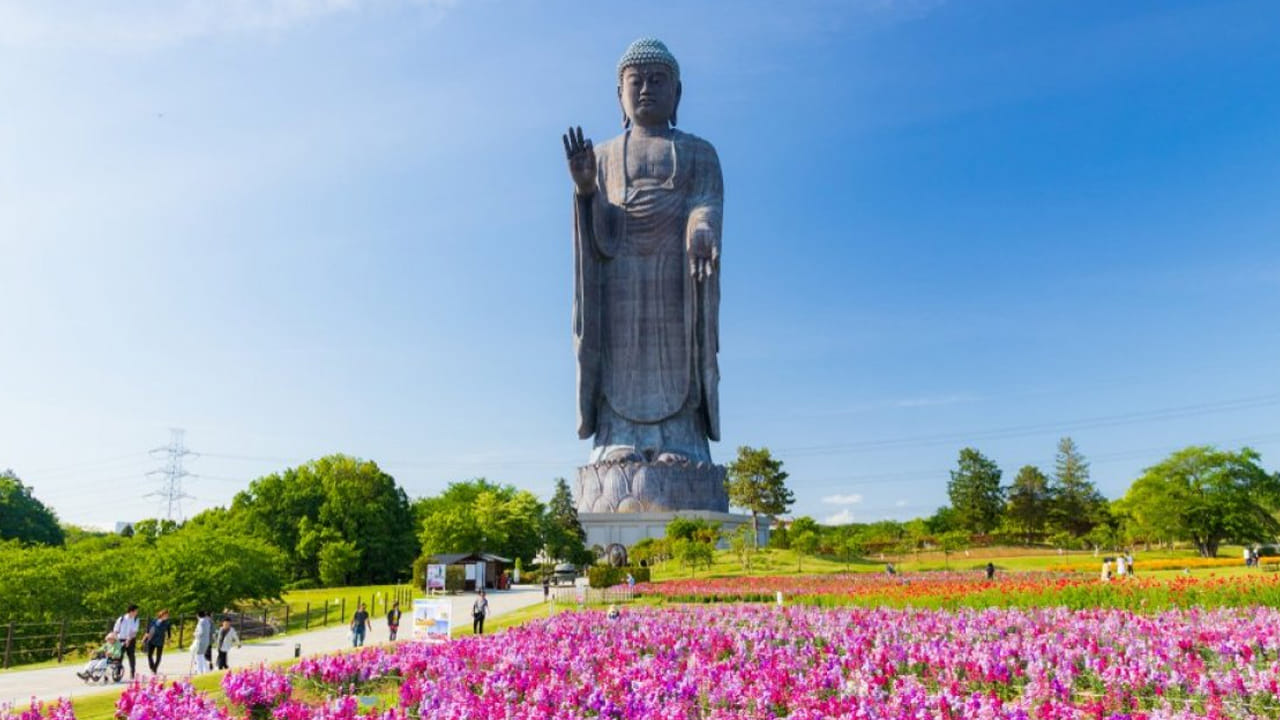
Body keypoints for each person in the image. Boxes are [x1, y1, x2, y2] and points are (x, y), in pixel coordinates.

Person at [564, 38, 724, 468]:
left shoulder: (699, 153)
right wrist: (586, 189)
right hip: (619, 276)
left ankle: (683, 440)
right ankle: (617, 436)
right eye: (637, 81)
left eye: (658, 80)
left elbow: (706, 201)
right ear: (621, 94)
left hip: (676, 275)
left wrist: (701, 226)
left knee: (681, 351)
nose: (647, 89)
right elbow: (599, 233)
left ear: (677, 93)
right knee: (616, 355)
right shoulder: (602, 156)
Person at [113, 604, 140, 681]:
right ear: (131, 611)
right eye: (136, 611)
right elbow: (116, 629)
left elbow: (134, 632)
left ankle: (132, 673)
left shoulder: (136, 619)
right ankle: (117, 673)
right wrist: (115, 639)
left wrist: (128, 640)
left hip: (131, 640)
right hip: (120, 639)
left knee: (131, 656)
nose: (137, 613)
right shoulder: (121, 618)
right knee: (119, 656)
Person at [142, 609, 172, 675]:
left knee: (158, 657)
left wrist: (169, 640)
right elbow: (148, 631)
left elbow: (169, 632)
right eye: (166, 615)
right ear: (161, 615)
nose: (167, 617)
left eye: (167, 616)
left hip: (160, 641)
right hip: (152, 639)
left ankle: (155, 669)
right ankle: (152, 667)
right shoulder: (154, 621)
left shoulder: (167, 623)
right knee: (149, 655)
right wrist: (144, 638)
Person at [190, 610, 212, 674]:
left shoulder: (201, 622)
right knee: (202, 655)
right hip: (206, 640)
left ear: (198, 615)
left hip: (200, 641)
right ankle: (206, 670)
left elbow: (201, 632)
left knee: (198, 656)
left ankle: (200, 671)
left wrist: (194, 634)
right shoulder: (207, 621)